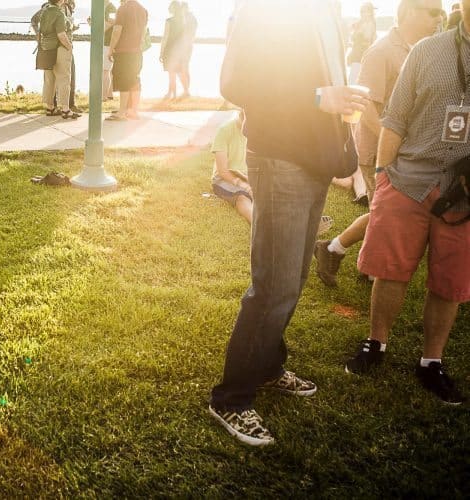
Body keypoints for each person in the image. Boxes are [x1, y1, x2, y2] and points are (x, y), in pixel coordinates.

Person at [207, 0, 368, 446]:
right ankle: (231, 398)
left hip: (316, 159)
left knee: (292, 278)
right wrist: (319, 97)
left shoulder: (330, 11)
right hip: (280, 158)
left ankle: (268, 366)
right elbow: (235, 82)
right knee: (274, 284)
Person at [344, 0, 467, 406]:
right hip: (409, 178)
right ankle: (376, 343)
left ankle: (431, 361)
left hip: (464, 193)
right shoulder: (427, 50)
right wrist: (382, 178)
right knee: (389, 270)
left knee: (449, 283)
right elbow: (393, 118)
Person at [315, 0, 443, 288]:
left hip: (405, 150)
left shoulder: (421, 49)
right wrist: (392, 142)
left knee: (382, 212)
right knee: (383, 213)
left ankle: (340, 251)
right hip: (379, 149)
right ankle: (338, 251)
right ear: (410, 12)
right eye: (433, 12)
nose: (440, 18)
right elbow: (368, 107)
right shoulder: (382, 51)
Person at [106, 0, 148, 121]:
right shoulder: (142, 10)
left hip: (123, 51)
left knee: (123, 80)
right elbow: (144, 31)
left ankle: (122, 112)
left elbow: (117, 31)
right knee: (134, 79)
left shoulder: (122, 9)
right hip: (137, 52)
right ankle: (133, 111)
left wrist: (111, 49)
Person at [39, 0, 79, 119]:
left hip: (46, 48)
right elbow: (61, 35)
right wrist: (69, 46)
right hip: (60, 48)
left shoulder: (44, 12)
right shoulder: (59, 13)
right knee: (64, 78)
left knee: (49, 79)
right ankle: (66, 109)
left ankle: (50, 107)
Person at [347, 2, 378, 84]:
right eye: (363, 12)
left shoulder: (371, 24)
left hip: (363, 54)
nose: (365, 14)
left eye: (367, 12)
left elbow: (369, 39)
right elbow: (352, 37)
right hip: (357, 54)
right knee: (353, 79)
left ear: (371, 13)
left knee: (357, 80)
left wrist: (358, 33)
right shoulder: (360, 23)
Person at [159, 1, 184, 101]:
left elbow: (165, 37)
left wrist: (161, 52)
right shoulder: (183, 21)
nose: (169, 8)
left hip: (169, 49)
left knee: (171, 73)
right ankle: (172, 93)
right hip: (179, 50)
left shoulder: (169, 21)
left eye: (170, 6)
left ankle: (172, 94)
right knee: (175, 72)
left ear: (173, 8)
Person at [178, 2, 197, 98]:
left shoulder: (190, 18)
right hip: (184, 46)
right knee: (182, 68)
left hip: (187, 46)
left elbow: (190, 32)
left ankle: (186, 90)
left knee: (184, 68)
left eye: (183, 8)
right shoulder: (186, 18)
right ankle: (186, 89)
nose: (182, 10)